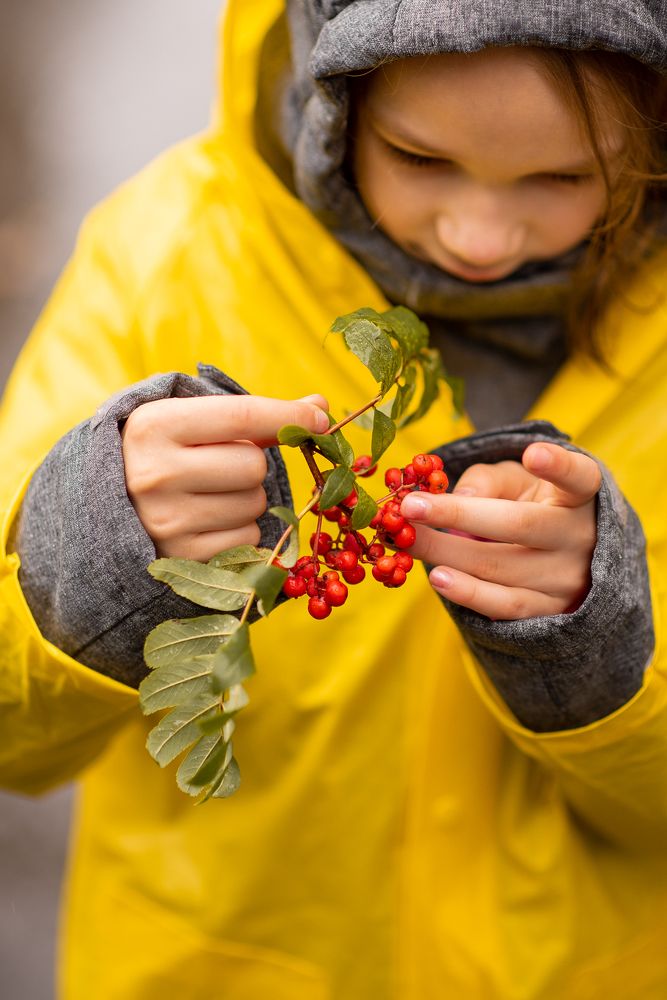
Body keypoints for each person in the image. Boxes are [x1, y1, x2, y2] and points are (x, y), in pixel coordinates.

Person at [1, 1, 666, 997]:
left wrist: (597, 657)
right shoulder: (167, 252)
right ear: (330, 99)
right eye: (421, 158)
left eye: (566, 176)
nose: (478, 235)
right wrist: (88, 554)